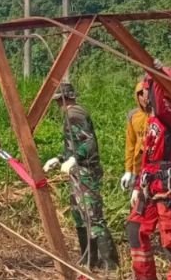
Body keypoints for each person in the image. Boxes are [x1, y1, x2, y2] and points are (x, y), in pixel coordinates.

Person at [127, 66, 171, 280]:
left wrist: (153, 69)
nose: (145, 93)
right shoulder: (152, 119)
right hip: (151, 182)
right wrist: (138, 186)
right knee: (135, 229)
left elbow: (160, 97)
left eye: (148, 87)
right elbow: (147, 158)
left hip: (169, 187)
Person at [43, 83, 118, 271]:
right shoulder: (71, 114)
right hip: (77, 171)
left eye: (59, 101)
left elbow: (89, 143)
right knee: (80, 215)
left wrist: (74, 159)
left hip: (86, 172)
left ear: (63, 98)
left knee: (93, 215)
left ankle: (110, 264)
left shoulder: (74, 113)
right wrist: (60, 159)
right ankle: (89, 259)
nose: (58, 105)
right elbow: (73, 145)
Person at [121, 80, 149, 192]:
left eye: (146, 93)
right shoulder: (134, 116)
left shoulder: (158, 115)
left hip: (154, 167)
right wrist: (128, 170)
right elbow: (130, 145)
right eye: (140, 94)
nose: (144, 97)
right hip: (138, 167)